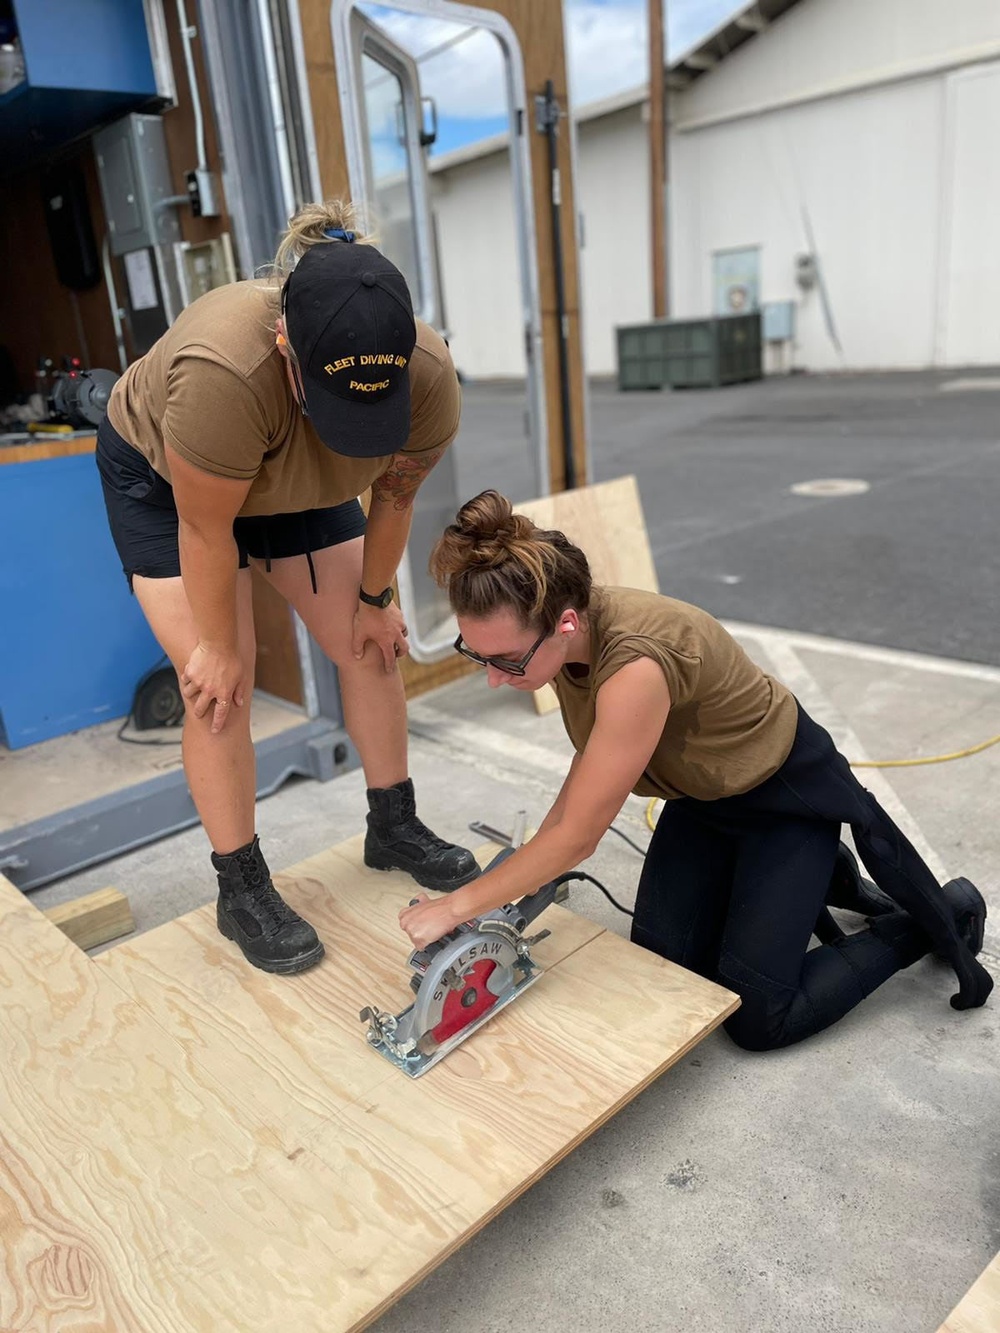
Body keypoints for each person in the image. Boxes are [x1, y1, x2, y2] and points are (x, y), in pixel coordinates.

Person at [399, 490, 993, 1051]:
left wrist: (458, 906)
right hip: (703, 800)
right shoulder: (558, 625)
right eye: (476, 654)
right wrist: (508, 886)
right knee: (665, 970)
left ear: (567, 624)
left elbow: (578, 837)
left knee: (759, 1015)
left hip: (782, 802)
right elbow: (588, 771)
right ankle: (815, 881)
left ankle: (932, 917)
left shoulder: (636, 664)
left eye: (505, 660)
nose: (494, 678)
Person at [97, 202, 479, 976]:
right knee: (218, 686)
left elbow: (395, 497)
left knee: (370, 645)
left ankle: (393, 823)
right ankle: (240, 888)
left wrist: (376, 603)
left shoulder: (430, 377)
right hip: (173, 484)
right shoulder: (223, 368)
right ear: (285, 346)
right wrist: (217, 647)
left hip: (295, 470)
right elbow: (207, 531)